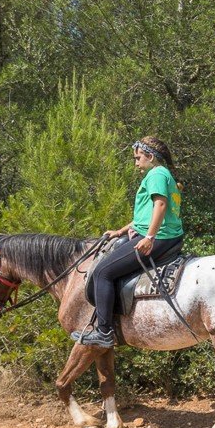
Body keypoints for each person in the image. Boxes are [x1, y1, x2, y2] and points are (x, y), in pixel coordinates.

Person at [71, 137, 185, 347]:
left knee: (102, 273)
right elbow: (145, 214)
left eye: (138, 158)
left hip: (159, 237)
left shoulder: (156, 174)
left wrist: (149, 238)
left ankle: (104, 332)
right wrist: (120, 231)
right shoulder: (162, 174)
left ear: (150, 156)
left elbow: (160, 205)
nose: (136, 163)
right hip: (165, 234)